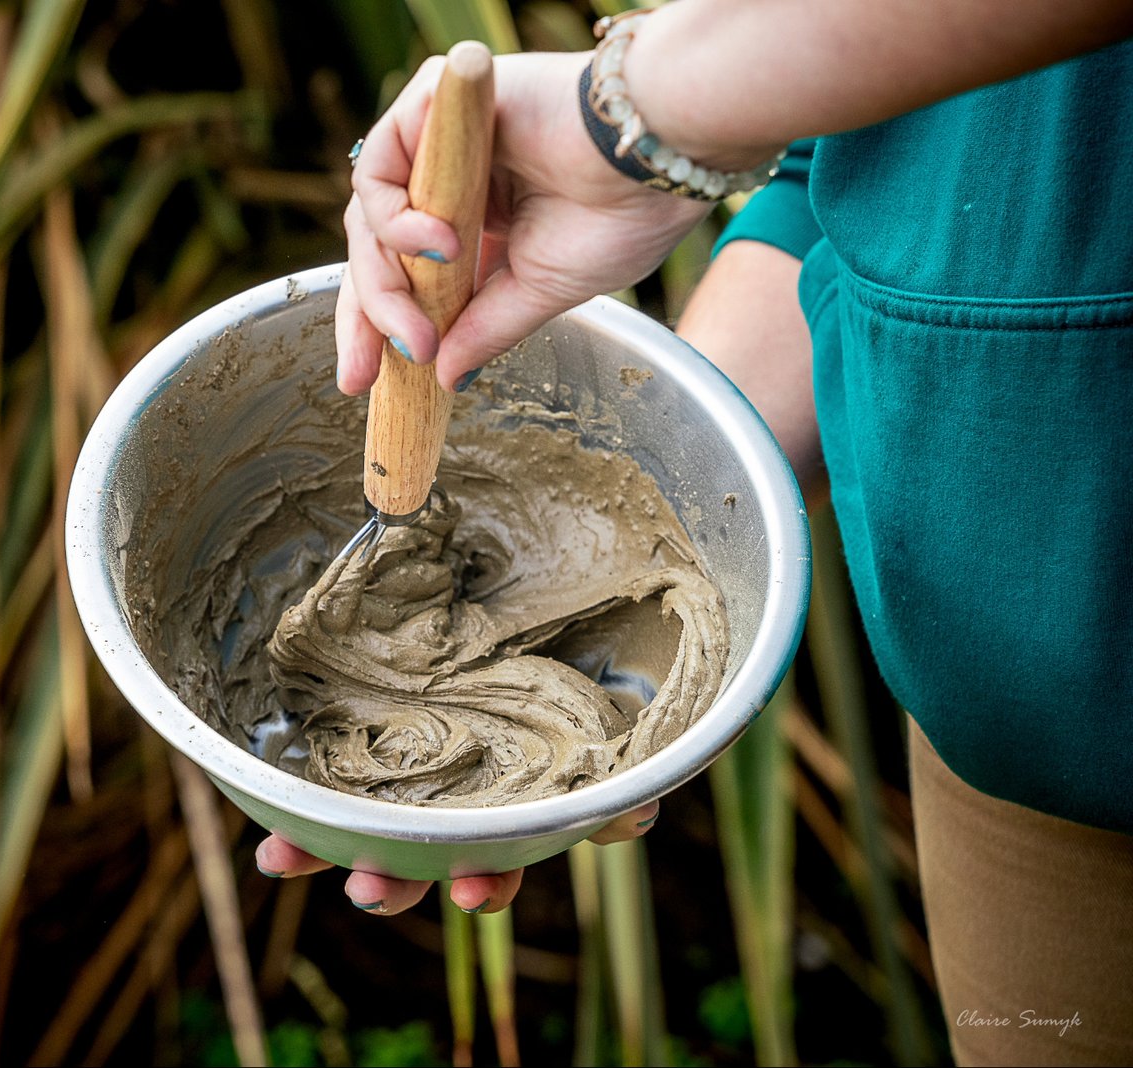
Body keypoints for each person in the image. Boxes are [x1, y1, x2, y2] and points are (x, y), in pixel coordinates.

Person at [255, 1, 1133, 1062]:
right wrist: (652, 538)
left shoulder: (648, 106)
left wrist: (632, 110)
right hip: (1001, 786)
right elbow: (859, 187)